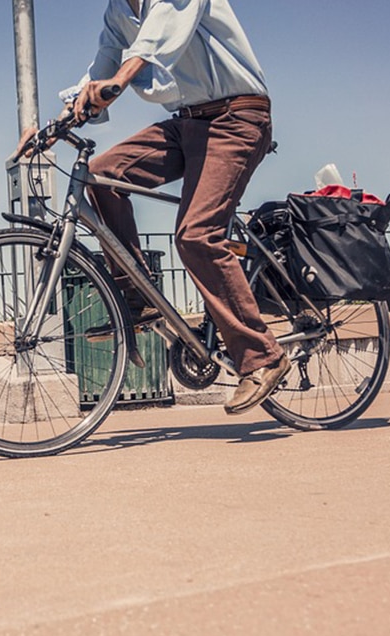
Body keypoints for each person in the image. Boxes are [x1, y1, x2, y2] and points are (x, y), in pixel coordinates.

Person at [59, 0, 290, 415]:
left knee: (197, 235)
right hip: (189, 123)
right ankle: (136, 295)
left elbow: (157, 38)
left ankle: (262, 356)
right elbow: (101, 68)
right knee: (104, 174)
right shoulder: (117, 13)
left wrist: (120, 80)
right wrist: (60, 117)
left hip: (237, 118)